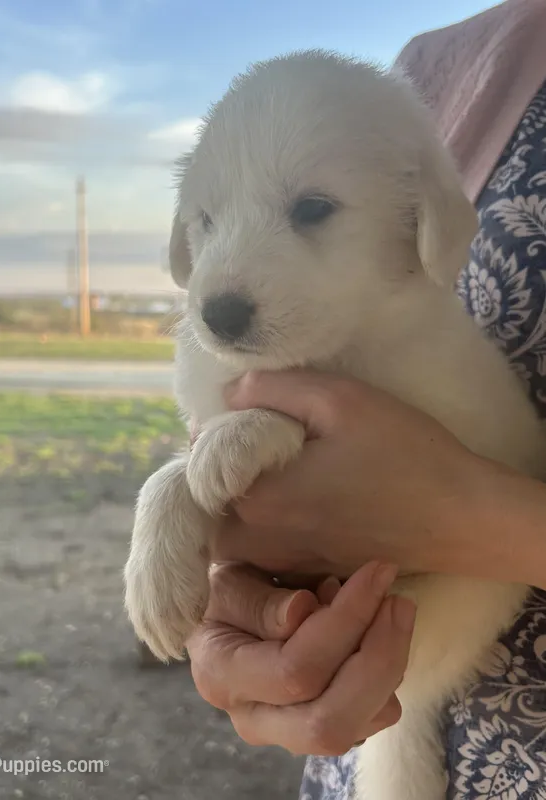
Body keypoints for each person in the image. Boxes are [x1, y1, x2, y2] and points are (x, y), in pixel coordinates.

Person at [187, 0, 546, 797]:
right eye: (207, 222)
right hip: (367, 737)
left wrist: (463, 518)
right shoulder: (431, 75)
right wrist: (248, 602)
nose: (224, 274)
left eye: (311, 211)